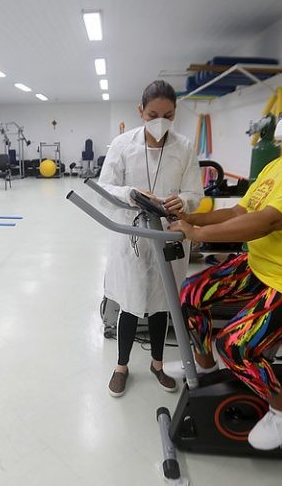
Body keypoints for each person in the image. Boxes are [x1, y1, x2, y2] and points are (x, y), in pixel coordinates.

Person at [164, 85, 282, 450]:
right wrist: (190, 217)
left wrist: (194, 233)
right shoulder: (277, 164)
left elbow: (268, 221)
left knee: (237, 347)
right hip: (264, 265)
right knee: (192, 294)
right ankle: (205, 366)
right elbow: (241, 212)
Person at [98, 80, 202, 397]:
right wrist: (129, 193)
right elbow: (105, 189)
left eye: (169, 115)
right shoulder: (121, 145)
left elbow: (195, 192)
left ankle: (158, 363)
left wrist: (183, 201)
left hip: (168, 233)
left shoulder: (184, 147)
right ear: (140, 111)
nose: (161, 121)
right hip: (132, 235)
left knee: (162, 303)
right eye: (154, 113)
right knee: (130, 302)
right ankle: (121, 366)